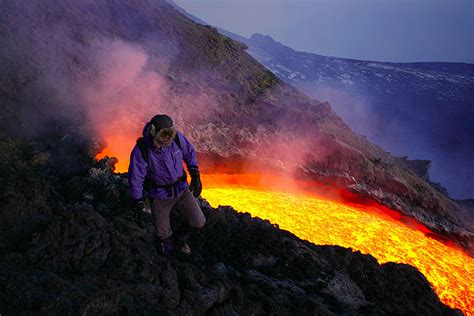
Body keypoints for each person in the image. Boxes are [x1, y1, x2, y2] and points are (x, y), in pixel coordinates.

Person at [128, 114, 206, 256]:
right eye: (165, 134)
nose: (169, 138)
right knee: (163, 235)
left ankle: (180, 240)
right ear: (153, 131)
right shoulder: (142, 150)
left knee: (198, 221)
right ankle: (167, 255)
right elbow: (136, 178)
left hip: (182, 190)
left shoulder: (176, 139)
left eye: (171, 133)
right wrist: (137, 202)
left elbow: (189, 152)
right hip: (160, 196)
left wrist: (195, 175)